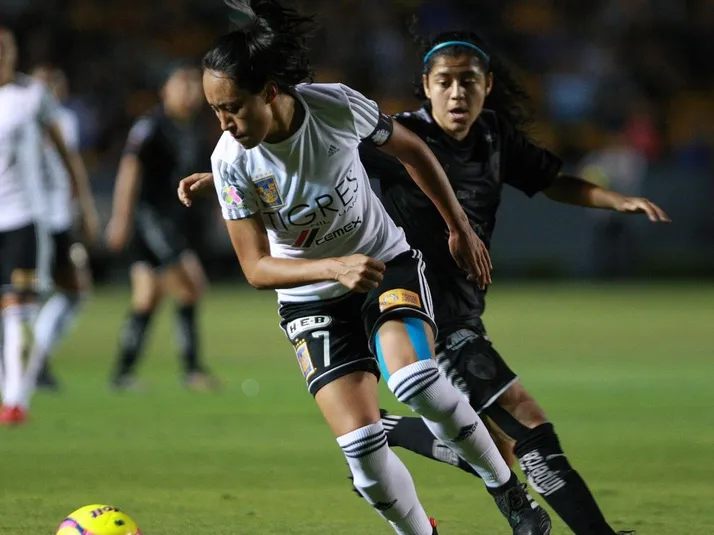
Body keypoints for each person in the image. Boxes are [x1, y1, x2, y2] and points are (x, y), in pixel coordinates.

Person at [178, 2, 550, 534]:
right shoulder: (229, 162)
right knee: (363, 456)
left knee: (417, 380)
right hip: (311, 300)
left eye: (232, 108)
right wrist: (333, 267)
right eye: (215, 111)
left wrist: (459, 228)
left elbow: (413, 151)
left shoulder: (334, 106)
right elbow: (256, 268)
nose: (224, 123)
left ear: (269, 91)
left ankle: (510, 494)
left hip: (383, 263)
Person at [356, 29, 669, 535]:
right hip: (424, 311)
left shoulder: (494, 136)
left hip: (465, 308)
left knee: (498, 449)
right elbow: (324, 158)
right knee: (527, 422)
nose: (457, 92)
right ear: (426, 86)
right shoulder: (398, 138)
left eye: (469, 81)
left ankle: (382, 430)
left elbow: (551, 181)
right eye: (445, 82)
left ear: (488, 85)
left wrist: (615, 200)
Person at [0, 28, 98, 424]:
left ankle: (15, 400)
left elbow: (66, 153)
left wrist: (84, 204)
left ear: (14, 52)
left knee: (18, 309)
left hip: (24, 218)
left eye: (5, 48)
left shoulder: (31, 96)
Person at [105, 62, 216, 391]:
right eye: (181, 84)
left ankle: (122, 374)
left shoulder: (192, 129)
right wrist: (121, 218)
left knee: (147, 297)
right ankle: (192, 370)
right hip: (150, 220)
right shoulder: (151, 126)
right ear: (164, 90)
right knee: (192, 285)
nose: (189, 92)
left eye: (193, 85)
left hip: (170, 221)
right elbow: (130, 170)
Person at [21, 64, 97, 394]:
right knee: (27, 295)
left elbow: (71, 164)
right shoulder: (17, 116)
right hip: (27, 218)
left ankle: (36, 359)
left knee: (74, 290)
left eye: (55, 84)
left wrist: (84, 207)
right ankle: (27, 364)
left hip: (58, 218)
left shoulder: (64, 119)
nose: (50, 91)